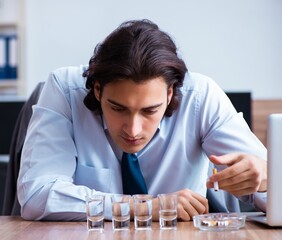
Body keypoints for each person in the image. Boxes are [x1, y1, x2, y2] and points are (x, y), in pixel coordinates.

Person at [17, 19, 267, 221]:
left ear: (169, 95)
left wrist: (266, 180)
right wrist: (145, 207)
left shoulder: (201, 98)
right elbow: (36, 196)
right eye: (117, 108)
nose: (133, 130)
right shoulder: (63, 90)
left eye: (149, 111)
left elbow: (273, 189)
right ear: (97, 90)